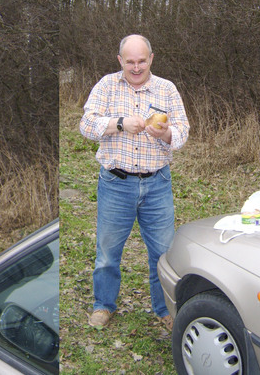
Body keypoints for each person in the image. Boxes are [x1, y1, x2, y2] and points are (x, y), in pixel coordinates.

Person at [79, 34, 189, 330]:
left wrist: (165, 134)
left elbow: (183, 131)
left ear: (151, 58)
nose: (136, 67)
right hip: (116, 183)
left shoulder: (167, 89)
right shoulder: (106, 85)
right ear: (120, 61)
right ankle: (103, 304)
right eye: (130, 62)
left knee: (164, 252)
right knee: (108, 251)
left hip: (157, 184)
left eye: (142, 61)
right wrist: (119, 124)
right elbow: (86, 124)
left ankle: (164, 308)